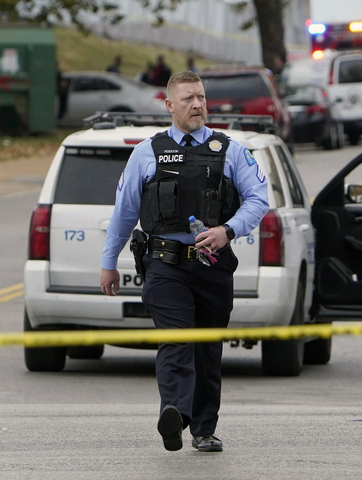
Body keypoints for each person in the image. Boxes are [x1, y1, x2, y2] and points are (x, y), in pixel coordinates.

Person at [99, 71, 269, 451]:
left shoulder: (230, 150)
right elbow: (124, 213)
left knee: (207, 349)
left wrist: (228, 229)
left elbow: (259, 198)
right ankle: (174, 412)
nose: (198, 105)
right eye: (189, 99)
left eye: (202, 98)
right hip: (165, 264)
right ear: (170, 105)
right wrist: (108, 261)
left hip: (212, 263)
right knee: (177, 340)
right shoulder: (147, 152)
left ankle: (203, 429)